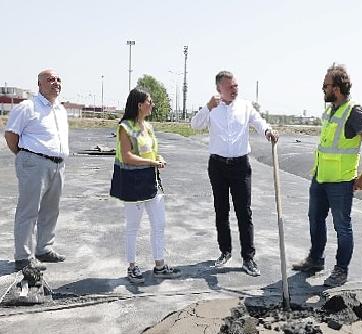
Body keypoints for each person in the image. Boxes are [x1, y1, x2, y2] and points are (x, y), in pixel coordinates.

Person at [292, 64, 362, 287]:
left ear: (337, 88)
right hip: (320, 178)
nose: (323, 89)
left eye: (326, 85)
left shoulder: (354, 111)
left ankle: (341, 270)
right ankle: (315, 260)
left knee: (342, 226)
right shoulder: (331, 111)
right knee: (315, 219)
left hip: (341, 182)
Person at [190, 71, 278, 277]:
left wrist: (268, 132)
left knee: (244, 211)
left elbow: (259, 122)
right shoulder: (212, 108)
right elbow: (195, 125)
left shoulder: (245, 106)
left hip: (240, 166)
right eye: (231, 87)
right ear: (219, 88)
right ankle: (225, 251)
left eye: (237, 86)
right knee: (221, 210)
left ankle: (248, 258)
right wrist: (207, 107)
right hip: (217, 166)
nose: (235, 90)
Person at [109, 88, 181, 283]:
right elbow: (127, 156)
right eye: (150, 101)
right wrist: (152, 163)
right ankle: (132, 267)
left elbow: (152, 152)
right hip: (133, 184)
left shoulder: (148, 127)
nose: (153, 104)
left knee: (159, 224)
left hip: (151, 182)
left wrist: (159, 158)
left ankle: (159, 265)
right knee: (133, 227)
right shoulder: (125, 127)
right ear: (140, 105)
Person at [4, 69, 68, 271]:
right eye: (50, 80)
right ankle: (23, 257)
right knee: (28, 210)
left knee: (51, 210)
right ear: (39, 84)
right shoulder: (27, 107)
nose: (55, 83)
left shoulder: (60, 109)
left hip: (58, 165)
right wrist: (25, 157)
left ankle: (44, 249)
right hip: (34, 163)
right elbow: (11, 135)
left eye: (58, 80)